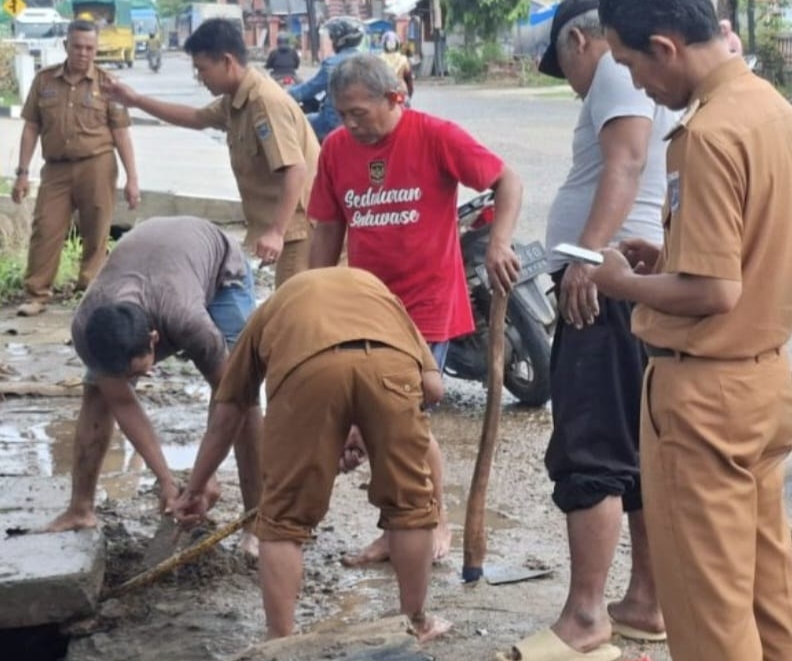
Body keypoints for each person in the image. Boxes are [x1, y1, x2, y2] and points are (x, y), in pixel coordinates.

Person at [590, 1, 792, 660]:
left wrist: (624, 285)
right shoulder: (772, 111)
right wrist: (669, 257)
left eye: (629, 65)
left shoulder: (705, 136)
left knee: (709, 612)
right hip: (764, 382)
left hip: (704, 400)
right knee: (767, 594)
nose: (639, 86)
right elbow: (752, 252)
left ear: (664, 47)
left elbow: (715, 290)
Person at [499, 2, 676, 660]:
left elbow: (625, 162)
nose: (572, 82)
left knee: (592, 449)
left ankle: (585, 618)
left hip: (606, 287)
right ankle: (646, 601)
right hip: (635, 281)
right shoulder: (634, 73)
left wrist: (584, 257)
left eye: (564, 67)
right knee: (634, 452)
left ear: (581, 38)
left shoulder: (611, 64)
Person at [306, 53, 523, 568]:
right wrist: (313, 295)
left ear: (394, 98)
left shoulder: (435, 135)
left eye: (360, 112)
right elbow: (328, 230)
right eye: (342, 114)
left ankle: (435, 521)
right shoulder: (336, 150)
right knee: (380, 420)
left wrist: (499, 243)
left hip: (426, 306)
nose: (350, 124)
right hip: (366, 305)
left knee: (401, 417)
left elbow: (507, 180)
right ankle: (397, 527)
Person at [173, 266, 453, 643]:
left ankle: (281, 640)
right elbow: (433, 389)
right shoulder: (382, 294)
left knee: (282, 519)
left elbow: (229, 413)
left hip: (307, 372)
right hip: (391, 367)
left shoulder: (271, 308)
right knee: (410, 507)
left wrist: (195, 486)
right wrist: (368, 422)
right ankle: (416, 624)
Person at [46, 216, 262, 556]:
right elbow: (123, 403)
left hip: (219, 269)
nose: (138, 380)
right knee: (96, 393)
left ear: (155, 339)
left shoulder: (189, 323)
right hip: (151, 259)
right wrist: (166, 480)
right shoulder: (87, 326)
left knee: (245, 395)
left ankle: (256, 525)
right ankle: (80, 509)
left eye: (139, 371)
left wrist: (203, 475)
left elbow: (231, 397)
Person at [102, 18, 318, 287]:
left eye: (202, 69)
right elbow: (195, 117)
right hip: (287, 227)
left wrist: (276, 231)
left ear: (227, 61)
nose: (199, 77)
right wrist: (134, 100)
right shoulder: (235, 99)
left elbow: (295, 169)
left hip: (298, 228)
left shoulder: (263, 102)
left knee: (294, 309)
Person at [11, 20, 140, 317]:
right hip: (56, 170)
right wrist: (22, 173)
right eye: (78, 46)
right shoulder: (44, 82)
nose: (83, 53)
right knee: (45, 229)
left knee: (96, 232)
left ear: (96, 49)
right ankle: (36, 294)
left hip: (97, 165)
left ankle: (89, 291)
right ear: (66, 45)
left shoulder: (108, 84)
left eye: (90, 48)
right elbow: (31, 127)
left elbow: (122, 134)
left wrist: (133, 178)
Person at [288, 16, 364, 142]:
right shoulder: (370, 61)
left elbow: (308, 89)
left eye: (333, 37)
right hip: (362, 122)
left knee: (295, 123)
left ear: (339, 40)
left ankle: (308, 161)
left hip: (332, 123)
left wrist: (286, 93)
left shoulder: (332, 64)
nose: (332, 40)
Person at [379, 31, 414, 100]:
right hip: (401, 90)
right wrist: (410, 93)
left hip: (385, 91)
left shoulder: (379, 59)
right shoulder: (403, 59)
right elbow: (409, 79)